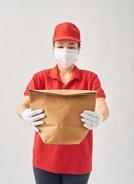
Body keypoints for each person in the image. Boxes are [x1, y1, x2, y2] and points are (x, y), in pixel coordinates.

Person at [17, 22, 109, 184]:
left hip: (78, 162)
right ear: (53, 47)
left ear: (79, 49)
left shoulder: (90, 78)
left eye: (71, 46)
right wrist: (25, 114)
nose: (65, 51)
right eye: (60, 45)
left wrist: (99, 117)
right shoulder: (40, 78)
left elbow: (103, 107)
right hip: (44, 159)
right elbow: (22, 106)